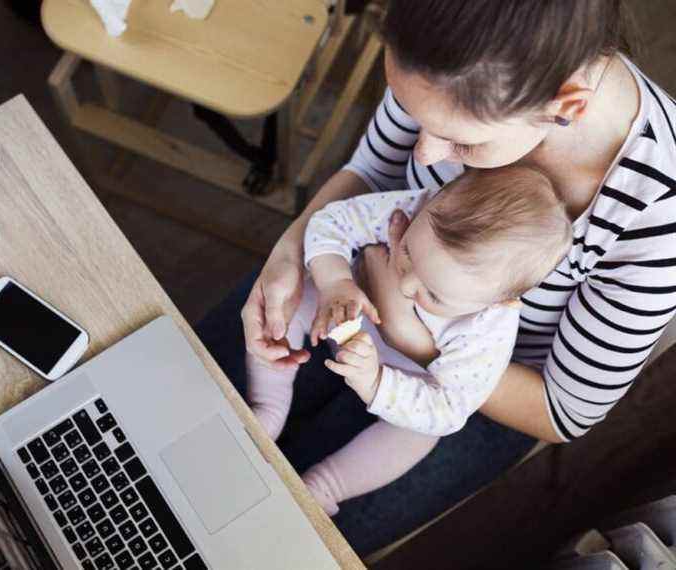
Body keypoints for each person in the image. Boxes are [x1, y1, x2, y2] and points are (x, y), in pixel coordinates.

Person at [196, 0, 676, 554]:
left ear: (565, 104)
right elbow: (372, 171)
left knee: (270, 542)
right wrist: (289, 252)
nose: (426, 153)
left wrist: (414, 339)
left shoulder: (658, 218)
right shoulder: (451, 48)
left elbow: (562, 411)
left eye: (463, 142)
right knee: (187, 416)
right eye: (411, 111)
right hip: (351, 277)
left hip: (474, 390)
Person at [246, 167, 572, 515]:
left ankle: (325, 486)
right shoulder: (419, 207)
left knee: (420, 434)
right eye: (408, 255)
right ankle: (268, 406)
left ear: (499, 301)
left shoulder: (490, 327)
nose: (405, 286)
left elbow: (449, 408)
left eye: (433, 294)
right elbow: (332, 221)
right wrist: (335, 282)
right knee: (290, 303)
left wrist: (376, 383)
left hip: (406, 376)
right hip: (343, 309)